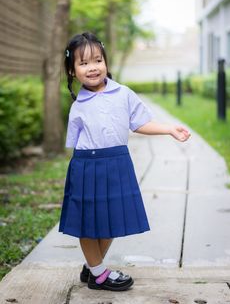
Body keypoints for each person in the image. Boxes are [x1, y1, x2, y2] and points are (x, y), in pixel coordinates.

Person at [58, 32, 191, 292]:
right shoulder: (78, 107)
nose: (92, 67)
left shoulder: (124, 94)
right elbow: (75, 146)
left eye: (97, 60)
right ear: (73, 71)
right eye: (83, 63)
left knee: (111, 220)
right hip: (88, 166)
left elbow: (140, 122)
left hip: (118, 163)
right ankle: (99, 274)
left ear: (106, 63)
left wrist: (168, 129)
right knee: (88, 222)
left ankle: (93, 266)